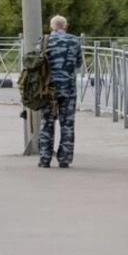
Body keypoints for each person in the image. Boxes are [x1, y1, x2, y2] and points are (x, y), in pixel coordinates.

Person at [39, 15, 83, 169]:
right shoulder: (74, 40)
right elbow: (79, 63)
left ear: (52, 27)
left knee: (47, 123)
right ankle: (65, 159)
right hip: (69, 89)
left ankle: (45, 159)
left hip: (48, 89)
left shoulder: (44, 41)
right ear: (66, 26)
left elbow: (38, 63)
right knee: (68, 124)